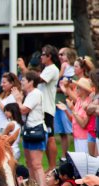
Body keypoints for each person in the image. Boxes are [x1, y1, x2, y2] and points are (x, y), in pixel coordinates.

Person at [12, 71, 46, 186]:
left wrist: (18, 100)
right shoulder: (29, 94)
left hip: (36, 130)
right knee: (29, 163)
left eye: (24, 80)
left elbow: (23, 110)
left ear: (31, 82)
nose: (21, 82)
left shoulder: (35, 93)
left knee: (36, 164)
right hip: (28, 131)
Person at [57, 77, 95, 153]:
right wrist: (65, 110)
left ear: (84, 90)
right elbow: (73, 120)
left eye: (78, 88)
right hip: (77, 136)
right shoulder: (78, 100)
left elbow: (83, 124)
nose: (75, 89)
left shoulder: (88, 103)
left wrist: (72, 109)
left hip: (84, 138)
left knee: (84, 162)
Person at [38, 44, 60, 172]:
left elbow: (40, 80)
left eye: (43, 54)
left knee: (50, 137)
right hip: (43, 108)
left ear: (49, 56)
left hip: (47, 108)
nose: (41, 57)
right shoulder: (47, 68)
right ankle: (51, 167)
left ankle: (52, 167)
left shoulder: (52, 69)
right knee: (47, 137)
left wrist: (25, 70)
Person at [55, 48, 76, 162]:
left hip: (68, 103)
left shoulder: (72, 70)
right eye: (59, 54)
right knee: (62, 132)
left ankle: (77, 154)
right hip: (59, 103)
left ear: (69, 56)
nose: (60, 57)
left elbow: (70, 87)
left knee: (71, 129)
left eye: (62, 54)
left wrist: (61, 73)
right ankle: (64, 156)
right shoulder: (63, 68)